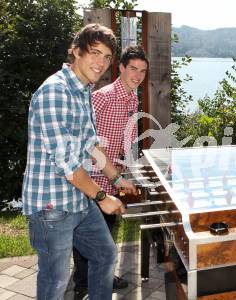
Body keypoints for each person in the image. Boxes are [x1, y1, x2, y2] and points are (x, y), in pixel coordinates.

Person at [22, 24, 136, 300]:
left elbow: (91, 145)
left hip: (77, 200)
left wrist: (117, 179)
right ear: (75, 51)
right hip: (51, 207)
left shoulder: (83, 90)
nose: (101, 62)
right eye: (94, 53)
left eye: (107, 56)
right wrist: (101, 196)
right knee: (55, 281)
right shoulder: (55, 93)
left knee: (105, 254)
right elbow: (66, 164)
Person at [72, 45, 148, 299]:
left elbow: (126, 137)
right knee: (90, 232)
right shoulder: (102, 97)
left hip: (114, 173)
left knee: (107, 227)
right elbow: (89, 144)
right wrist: (112, 174)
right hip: (93, 176)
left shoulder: (132, 97)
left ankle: (100, 275)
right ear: (121, 68)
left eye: (142, 71)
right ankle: (84, 283)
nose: (137, 76)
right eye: (133, 69)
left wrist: (126, 170)